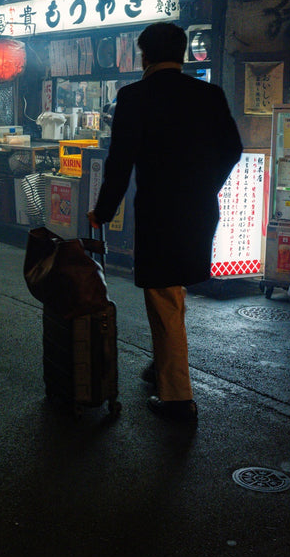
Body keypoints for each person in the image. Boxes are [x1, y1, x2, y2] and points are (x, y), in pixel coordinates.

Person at [88, 22, 242, 423]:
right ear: (183, 52)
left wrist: (102, 211)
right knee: (172, 291)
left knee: (162, 295)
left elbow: (120, 164)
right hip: (200, 208)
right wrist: (205, 184)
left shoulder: (135, 96)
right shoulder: (209, 94)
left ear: (144, 55)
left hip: (159, 210)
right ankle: (160, 367)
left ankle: (176, 397)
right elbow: (232, 148)